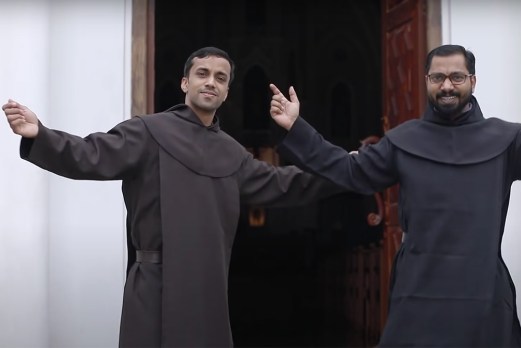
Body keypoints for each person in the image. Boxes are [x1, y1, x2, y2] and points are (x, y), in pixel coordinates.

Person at [269, 44, 521, 347]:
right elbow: (351, 172)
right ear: (426, 82)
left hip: (481, 288)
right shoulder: (402, 141)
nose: (447, 85)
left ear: (473, 81)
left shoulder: (505, 140)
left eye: (456, 77)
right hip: (419, 289)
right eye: (438, 77)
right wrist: (299, 129)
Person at [3, 46, 340, 347]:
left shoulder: (232, 154)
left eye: (220, 78)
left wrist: (347, 167)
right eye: (202, 74)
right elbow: (90, 154)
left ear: (225, 93)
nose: (211, 82)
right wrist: (41, 134)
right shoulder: (148, 131)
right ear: (185, 84)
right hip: (154, 283)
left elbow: (285, 184)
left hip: (207, 288)